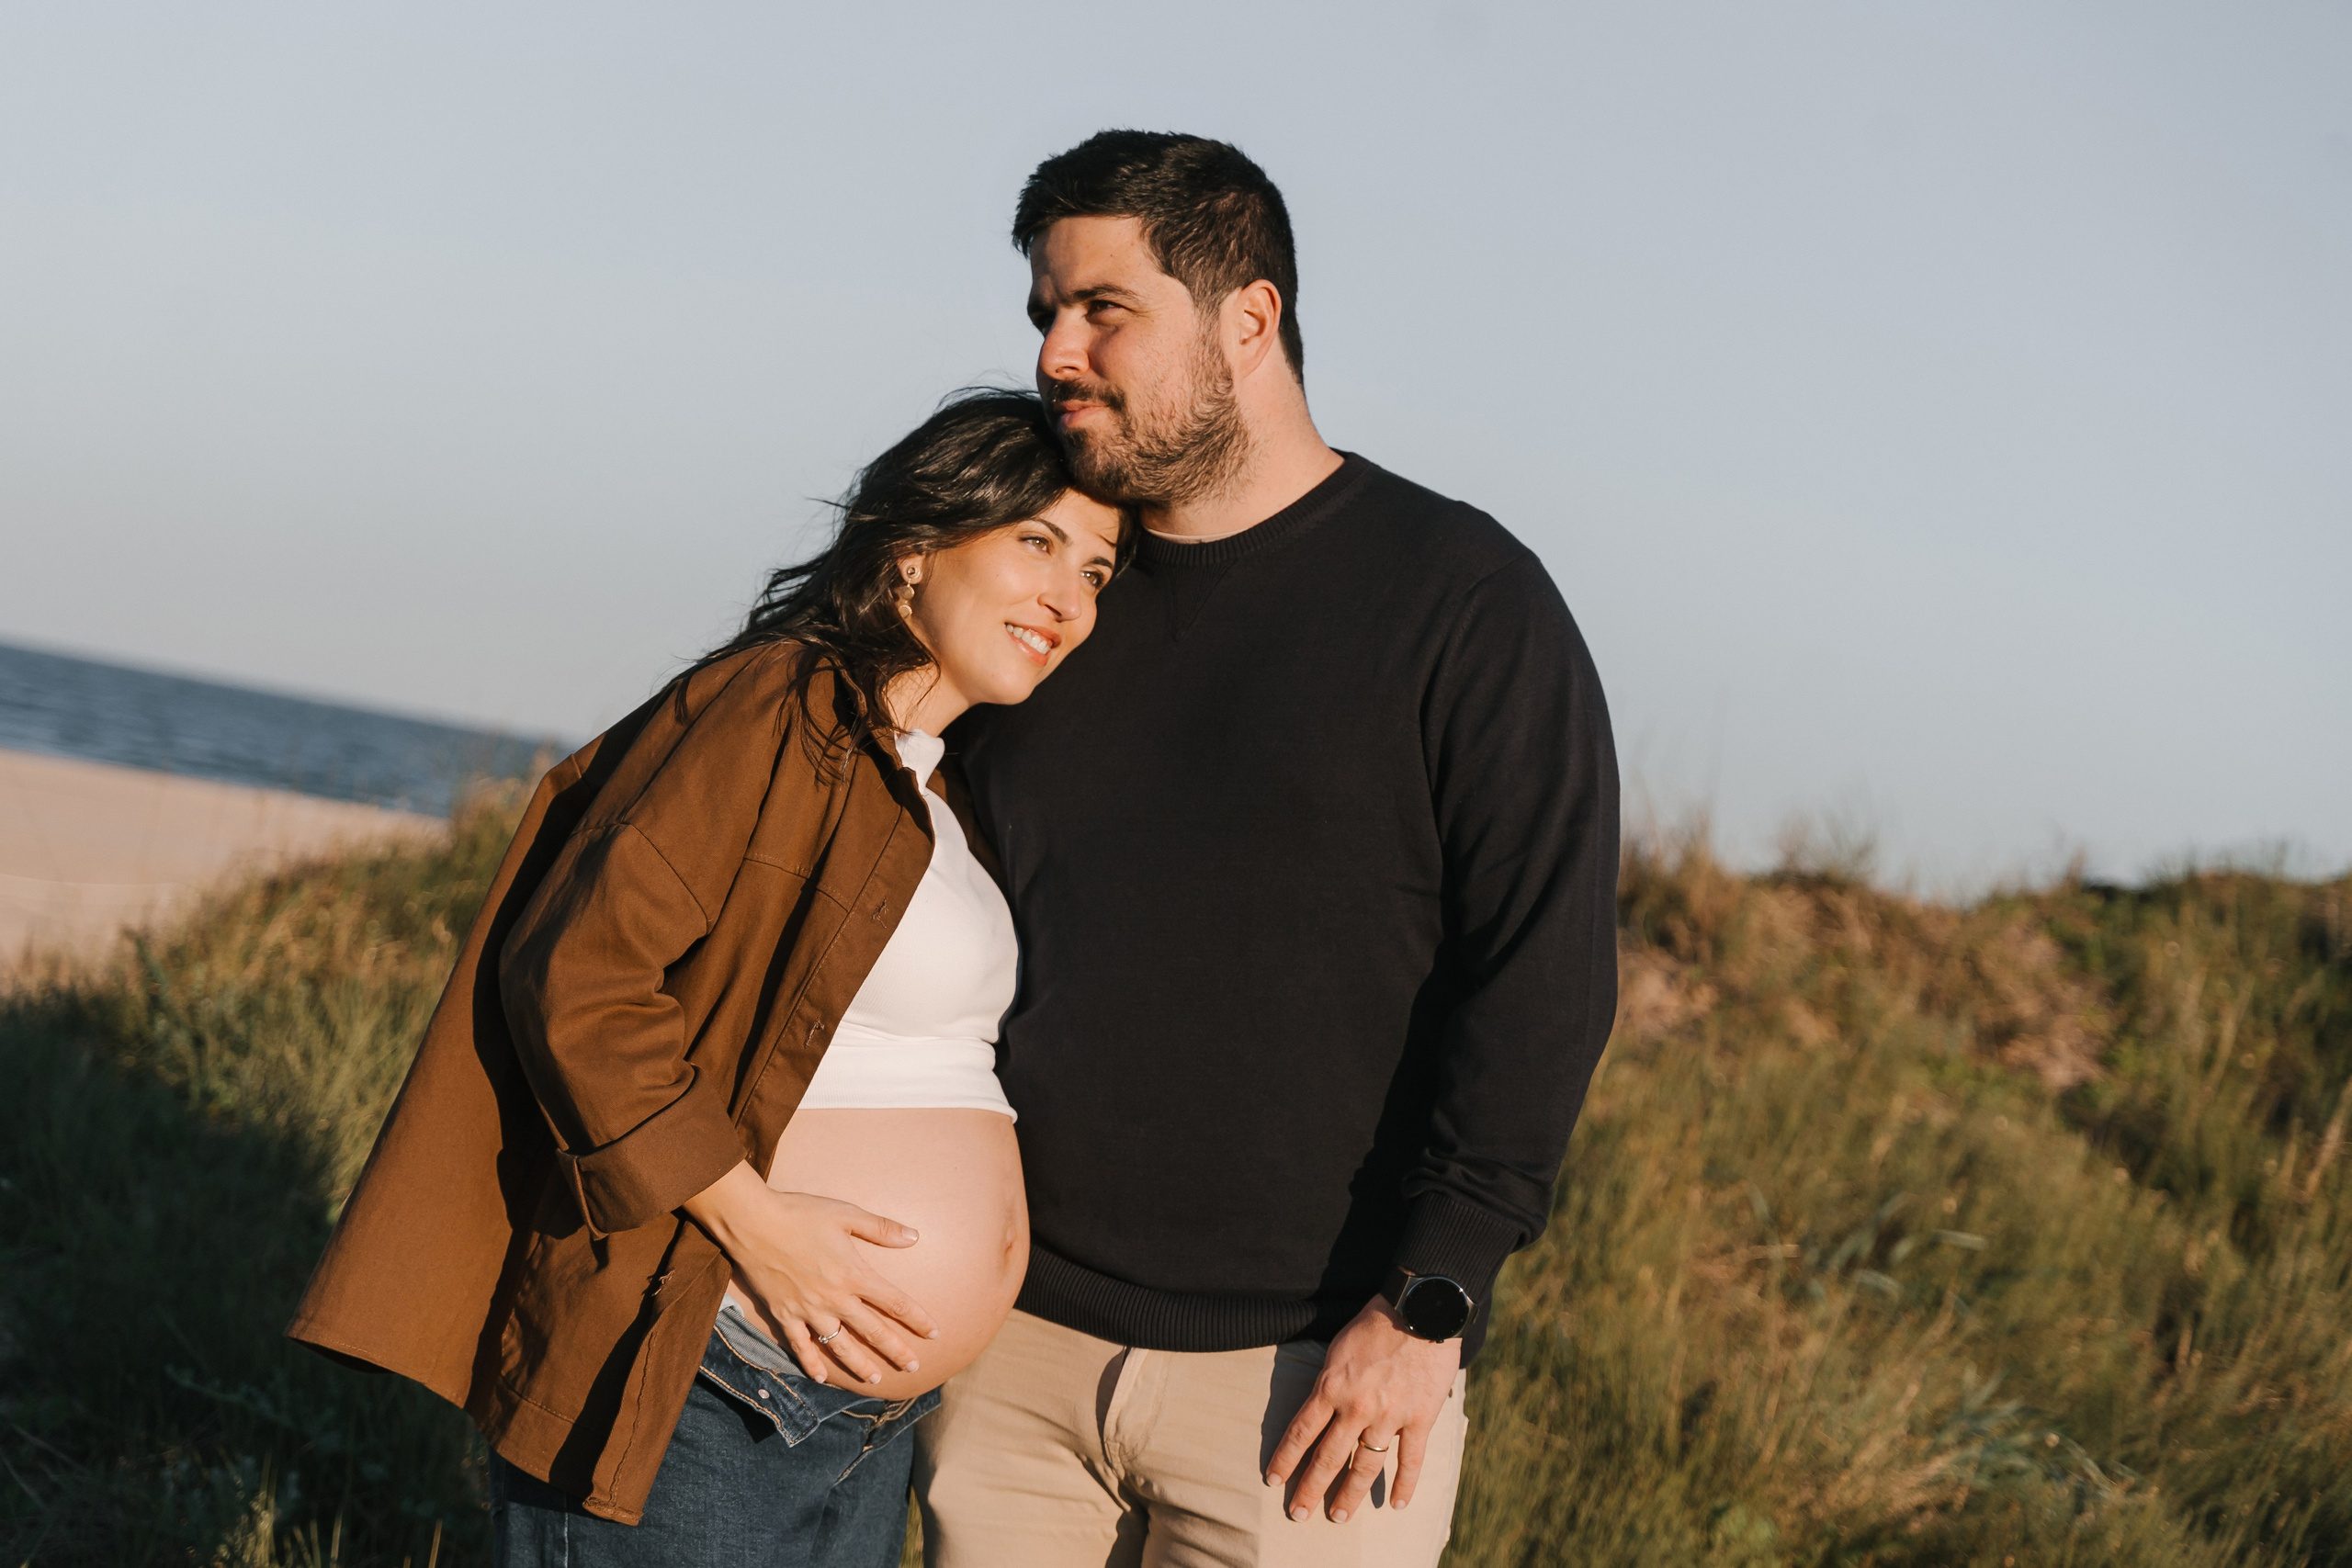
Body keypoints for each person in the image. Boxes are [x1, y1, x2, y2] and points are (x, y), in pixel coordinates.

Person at [915, 132, 1622, 1567]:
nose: (1056, 353)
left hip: (1311, 1385)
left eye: (1104, 308)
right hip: (1007, 1355)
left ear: (1249, 319)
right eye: (1046, 311)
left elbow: (1542, 974)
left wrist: (1429, 1301)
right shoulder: (1050, 593)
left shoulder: (1465, 602)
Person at [284, 389, 1128, 1566]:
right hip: (718, 1379)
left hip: (864, 1426)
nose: (1068, 598)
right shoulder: (780, 705)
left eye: (1095, 571)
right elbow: (578, 975)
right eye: (1037, 541)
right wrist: (759, 1226)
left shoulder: (940, 794)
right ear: (912, 549)